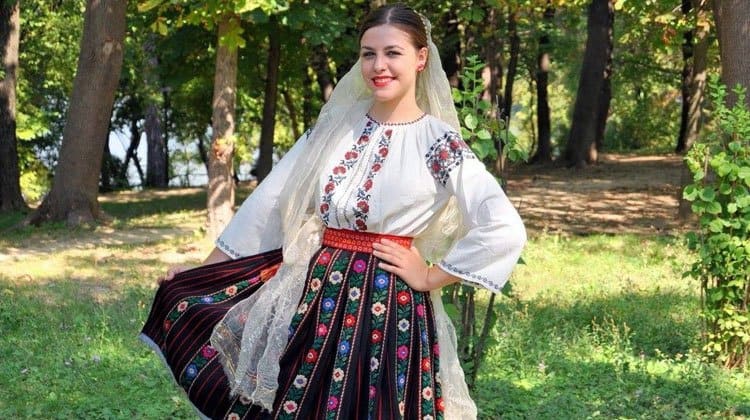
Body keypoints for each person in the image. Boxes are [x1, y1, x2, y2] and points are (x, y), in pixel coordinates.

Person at [140, 3, 526, 419]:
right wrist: (205, 271)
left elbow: (502, 226)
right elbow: (269, 203)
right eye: (368, 53)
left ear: (420, 57)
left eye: (393, 52)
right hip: (315, 295)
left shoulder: (438, 142)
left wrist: (431, 275)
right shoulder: (335, 126)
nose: (379, 65)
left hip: (389, 304)